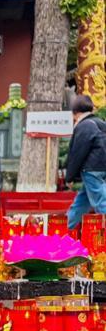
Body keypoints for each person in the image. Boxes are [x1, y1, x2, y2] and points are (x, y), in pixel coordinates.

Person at [66, 95, 106, 230]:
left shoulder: (84, 126)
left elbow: (77, 154)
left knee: (101, 202)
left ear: (76, 113)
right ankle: (67, 228)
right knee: (82, 201)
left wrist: (70, 177)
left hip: (91, 169)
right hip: (103, 168)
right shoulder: (100, 123)